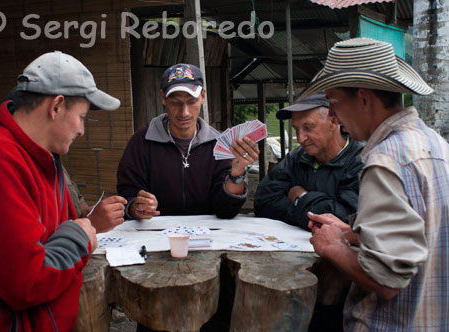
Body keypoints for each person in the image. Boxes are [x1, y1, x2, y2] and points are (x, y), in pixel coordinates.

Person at [0, 51, 124, 331]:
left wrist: (78, 228)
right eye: (81, 117)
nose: (81, 130)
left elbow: (55, 236)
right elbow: (25, 283)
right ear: (56, 106)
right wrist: (80, 235)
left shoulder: (45, 159)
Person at [304, 38, 449, 331]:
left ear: (364, 98)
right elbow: (421, 234)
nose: (331, 115)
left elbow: (386, 281)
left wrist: (332, 246)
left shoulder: (385, 161)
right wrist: (352, 233)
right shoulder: (435, 144)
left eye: (333, 103)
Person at [117, 63, 259, 220]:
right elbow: (126, 195)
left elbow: (225, 211)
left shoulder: (220, 144)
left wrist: (236, 175)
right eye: (175, 102)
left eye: (191, 102)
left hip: (207, 236)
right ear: (163, 97)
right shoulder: (142, 142)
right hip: (155, 235)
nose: (184, 112)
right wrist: (135, 207)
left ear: (203, 96)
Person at [254, 92, 364, 231]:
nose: (300, 138)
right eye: (296, 129)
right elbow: (263, 203)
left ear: (334, 121)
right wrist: (312, 215)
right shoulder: (297, 157)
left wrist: (300, 197)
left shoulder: (361, 160)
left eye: (308, 127)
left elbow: (346, 219)